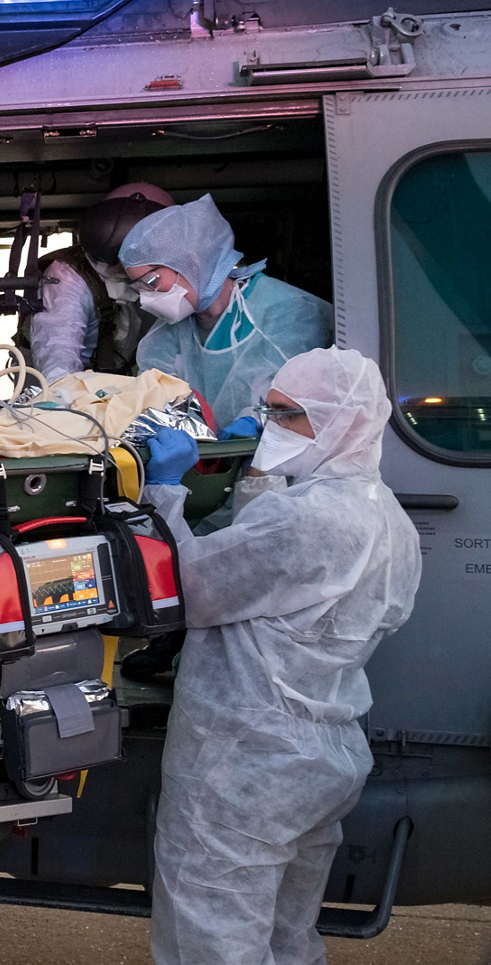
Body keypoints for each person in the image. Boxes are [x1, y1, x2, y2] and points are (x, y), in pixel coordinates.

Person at [138, 348, 419, 965]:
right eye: (269, 410)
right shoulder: (389, 520)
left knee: (211, 937)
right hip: (323, 754)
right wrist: (256, 483)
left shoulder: (309, 521)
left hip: (245, 761)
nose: (271, 425)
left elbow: (190, 588)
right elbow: (286, 580)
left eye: (288, 415)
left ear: (341, 422)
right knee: (288, 936)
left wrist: (163, 493)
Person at [120, 194, 333, 425]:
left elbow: (299, 406)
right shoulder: (167, 334)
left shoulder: (286, 312)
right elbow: (156, 395)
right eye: (139, 287)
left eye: (151, 283)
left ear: (191, 262)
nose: (146, 299)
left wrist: (254, 423)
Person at [23, 183, 173, 380]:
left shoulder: (170, 274)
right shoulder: (68, 275)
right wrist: (61, 396)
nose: (121, 268)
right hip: (57, 379)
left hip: (127, 374)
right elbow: (58, 348)